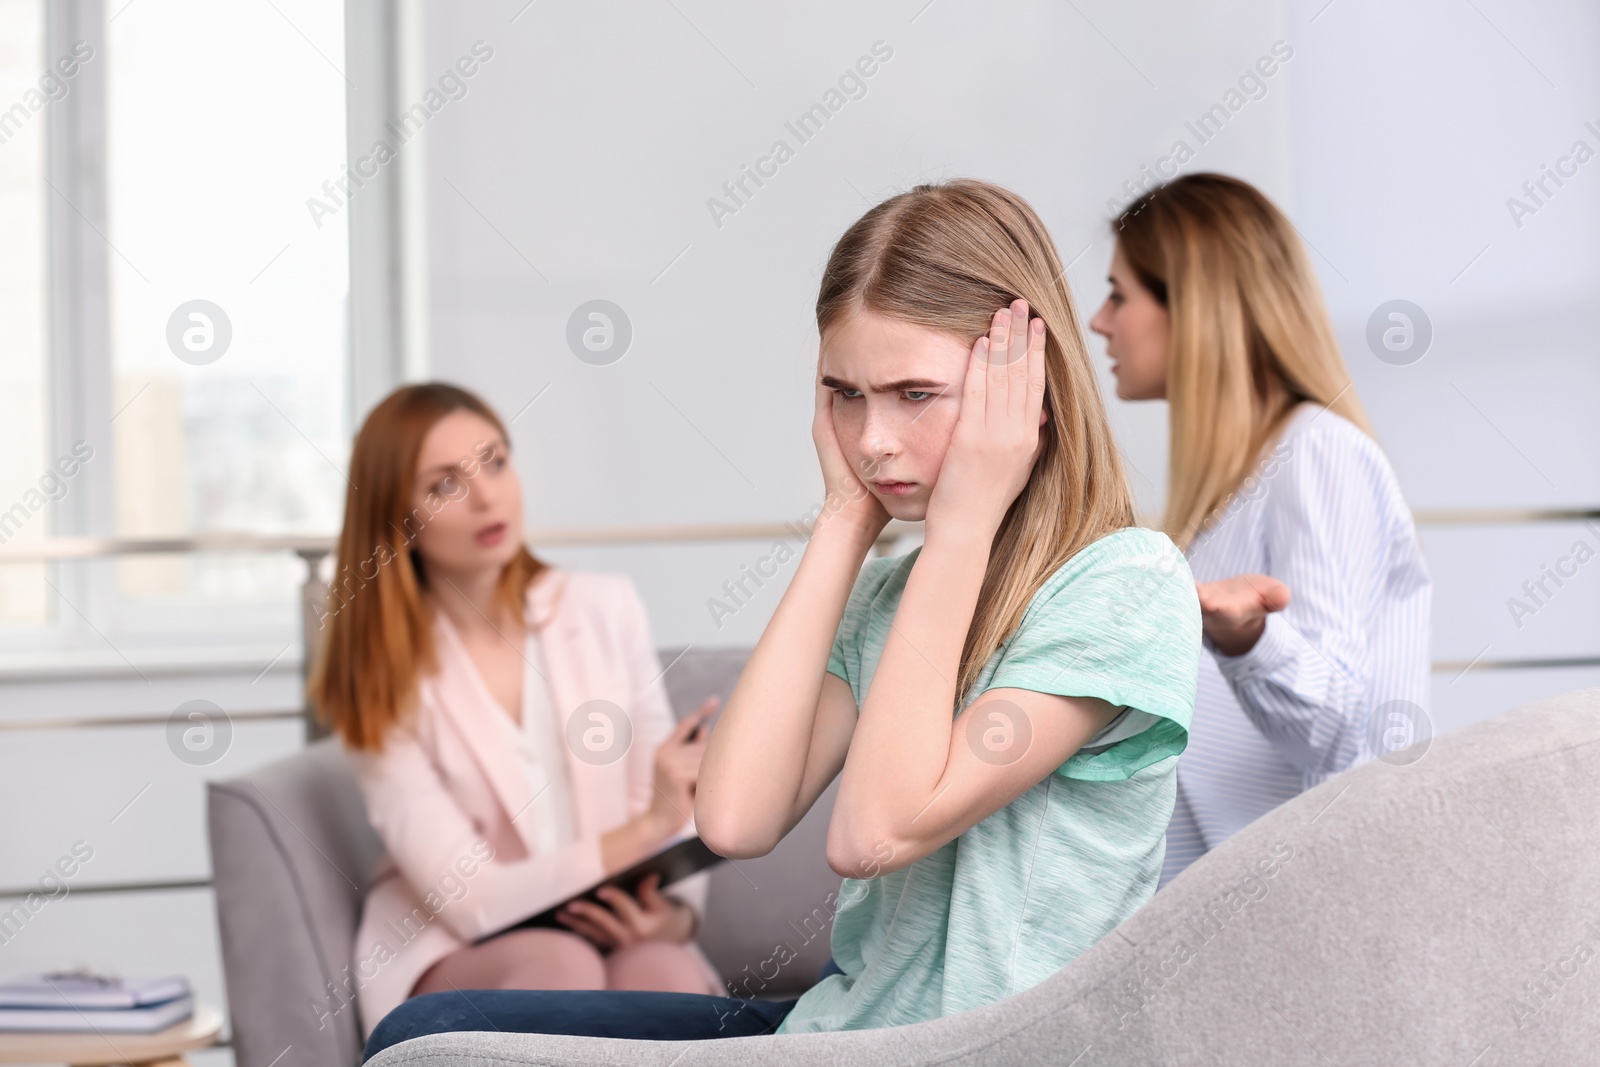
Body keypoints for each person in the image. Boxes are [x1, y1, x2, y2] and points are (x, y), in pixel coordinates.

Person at [362, 178, 1201, 1054]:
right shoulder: (889, 595)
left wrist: (961, 527)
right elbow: (734, 818)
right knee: (430, 1032)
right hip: (845, 1031)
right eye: (846, 394)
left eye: (914, 393)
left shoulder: (1126, 583)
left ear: (1027, 390)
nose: (872, 439)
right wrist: (843, 522)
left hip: (982, 1048)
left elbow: (873, 830)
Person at [309, 383, 724, 1042]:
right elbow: (473, 901)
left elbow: (670, 808)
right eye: (444, 484)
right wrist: (646, 827)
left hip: (608, 927)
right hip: (458, 943)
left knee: (665, 968)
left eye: (495, 461)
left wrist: (670, 916)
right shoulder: (380, 677)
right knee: (558, 964)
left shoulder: (603, 607)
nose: (487, 497)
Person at [1086, 173, 1432, 889]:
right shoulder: (1228, 496)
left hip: (1295, 920)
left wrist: (1250, 639)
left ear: (1196, 308)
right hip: (1213, 918)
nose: (1099, 320)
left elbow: (1336, 728)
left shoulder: (1319, 453)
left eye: (1120, 293)